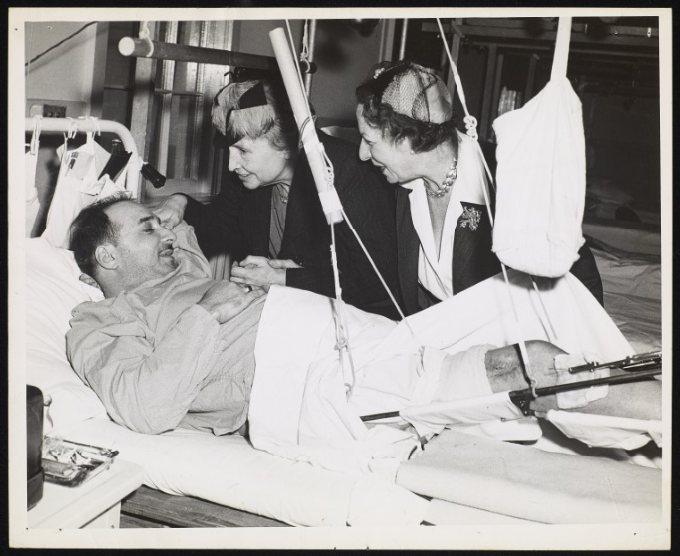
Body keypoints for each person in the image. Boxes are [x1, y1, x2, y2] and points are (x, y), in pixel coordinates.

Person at [66, 197, 659, 452]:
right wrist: (208, 311)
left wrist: (167, 210)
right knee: (523, 365)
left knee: (529, 303)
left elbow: (185, 217)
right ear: (108, 259)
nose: (165, 232)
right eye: (148, 229)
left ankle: (639, 410)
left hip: (349, 333)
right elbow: (145, 407)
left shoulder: (184, 268)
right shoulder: (98, 321)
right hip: (306, 377)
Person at [354, 60, 604, 316]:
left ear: (407, 139)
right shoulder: (408, 183)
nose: (362, 154)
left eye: (368, 140)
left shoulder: (504, 176)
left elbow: (580, 278)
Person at [154, 78, 402, 319]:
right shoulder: (252, 180)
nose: (231, 165)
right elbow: (217, 228)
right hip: (292, 316)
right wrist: (180, 201)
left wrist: (282, 279)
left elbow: (377, 280)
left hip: (359, 324)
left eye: (242, 150)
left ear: (285, 143)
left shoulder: (349, 176)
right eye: (230, 150)